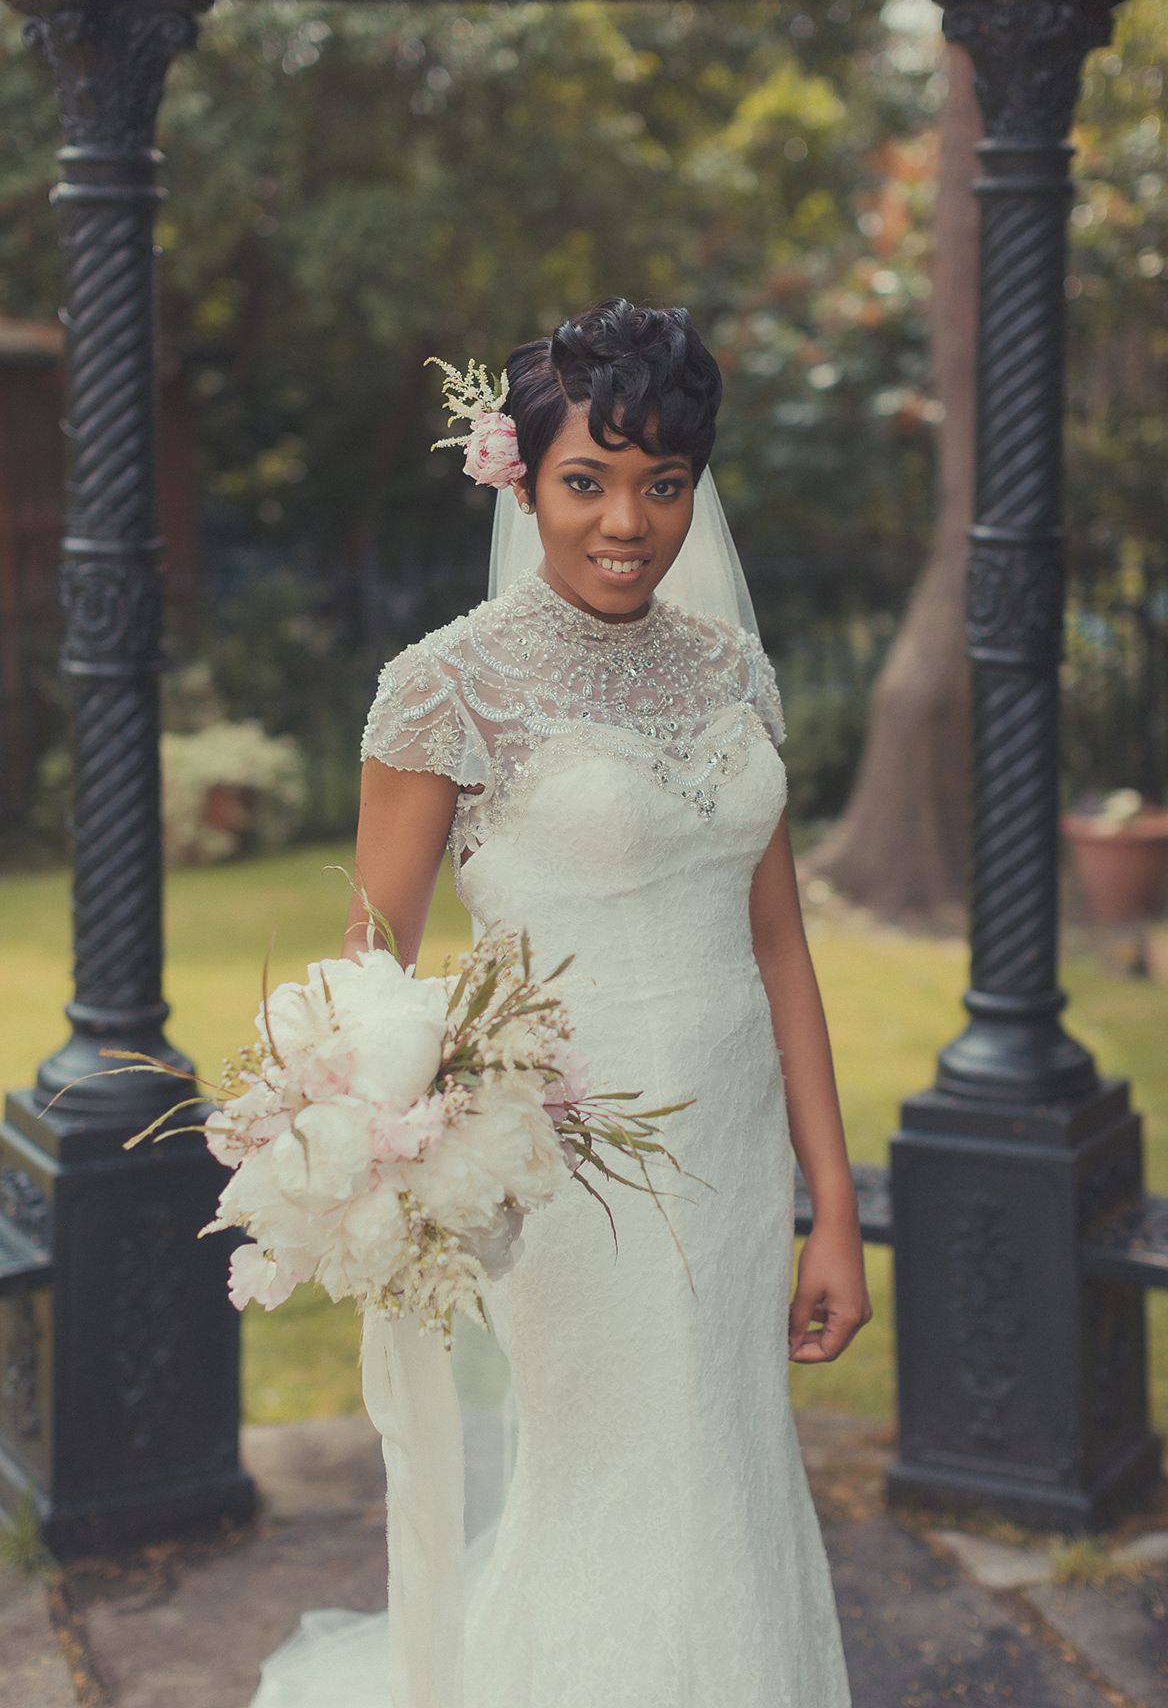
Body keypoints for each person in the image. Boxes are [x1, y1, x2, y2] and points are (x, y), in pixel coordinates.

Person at [252, 299, 868, 1708]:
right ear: (518, 476)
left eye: (663, 484)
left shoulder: (734, 673)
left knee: (728, 1473)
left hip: (731, 1163)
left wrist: (829, 1207)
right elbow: (370, 981)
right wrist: (391, 1155)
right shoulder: (444, 690)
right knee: (616, 1490)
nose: (626, 522)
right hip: (570, 1172)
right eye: (587, 481)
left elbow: (781, 951)